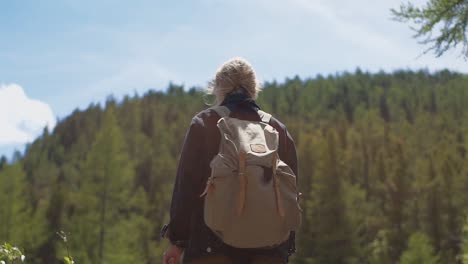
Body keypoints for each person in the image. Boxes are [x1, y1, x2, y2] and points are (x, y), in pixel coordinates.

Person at [161, 57, 298, 264]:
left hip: (210, 248)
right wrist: (284, 249)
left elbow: (186, 188)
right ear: (254, 88)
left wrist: (177, 241)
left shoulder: (205, 122)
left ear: (217, 89)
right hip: (269, 251)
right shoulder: (278, 129)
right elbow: (291, 193)